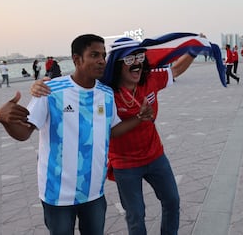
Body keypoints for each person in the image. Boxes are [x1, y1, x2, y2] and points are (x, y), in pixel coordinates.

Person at [31, 35, 211, 234]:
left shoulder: (149, 80)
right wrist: (41, 86)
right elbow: (80, 84)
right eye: (129, 59)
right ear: (118, 65)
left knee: (172, 200)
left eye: (139, 58)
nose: (136, 64)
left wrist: (193, 50)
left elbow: (175, 69)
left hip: (155, 156)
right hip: (124, 164)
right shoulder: (107, 92)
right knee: (136, 214)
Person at [0, 34, 153, 235]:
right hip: (58, 194)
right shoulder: (50, 90)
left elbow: (112, 130)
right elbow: (24, 133)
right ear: (77, 59)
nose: (101, 60)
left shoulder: (105, 93)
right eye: (94, 55)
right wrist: (3, 119)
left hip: (94, 192)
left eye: (103, 55)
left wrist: (140, 117)